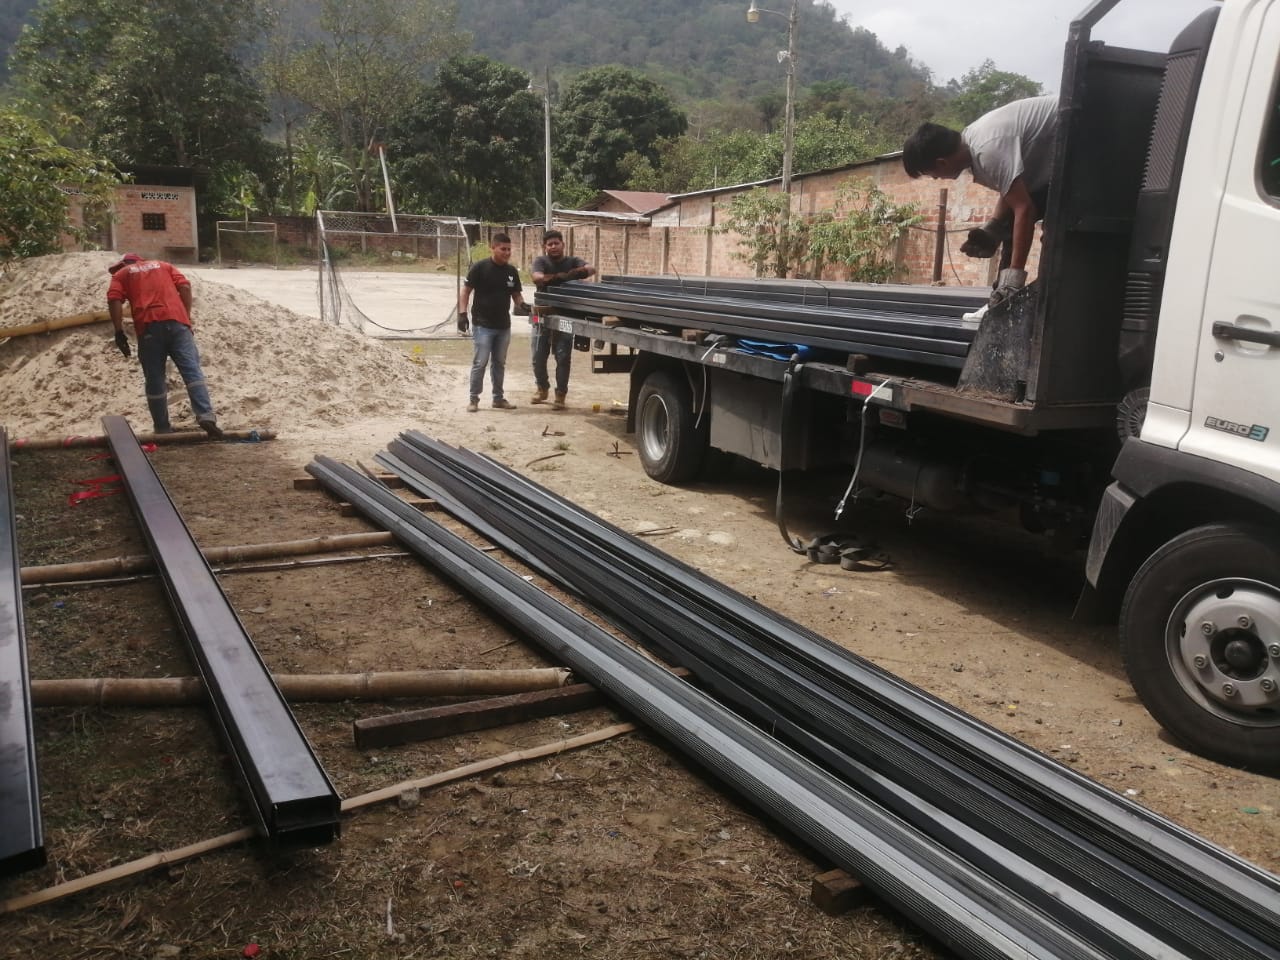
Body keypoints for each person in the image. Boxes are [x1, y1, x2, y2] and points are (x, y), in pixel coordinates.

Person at [902, 94, 1058, 306]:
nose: (936, 179)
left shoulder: (987, 150)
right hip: (1064, 152)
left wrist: (1014, 279)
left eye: (932, 174)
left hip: (1089, 130)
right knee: (1009, 225)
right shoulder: (973, 145)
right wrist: (993, 227)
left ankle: (1014, 295)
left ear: (942, 163)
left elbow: (1025, 208)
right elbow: (1011, 189)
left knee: (1058, 233)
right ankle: (1002, 302)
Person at [107, 253, 223, 438]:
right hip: (178, 324)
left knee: (154, 378)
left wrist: (118, 331)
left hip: (149, 327)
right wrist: (185, 317)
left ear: (125, 264)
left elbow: (114, 300)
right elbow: (185, 287)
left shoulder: (122, 274)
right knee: (192, 370)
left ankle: (162, 427)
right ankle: (206, 416)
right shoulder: (164, 265)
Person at [458, 233, 530, 412]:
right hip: (482, 325)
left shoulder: (511, 272)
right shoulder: (480, 268)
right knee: (480, 363)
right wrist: (462, 314)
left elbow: (516, 294)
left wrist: (523, 305)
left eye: (509, 249)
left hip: (503, 326)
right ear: (493, 248)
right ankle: (474, 399)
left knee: (499, 363)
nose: (507, 252)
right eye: (503, 249)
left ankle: (498, 398)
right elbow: (466, 291)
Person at [530, 229, 595, 409]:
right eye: (549, 244)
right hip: (540, 315)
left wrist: (574, 273)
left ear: (563, 244)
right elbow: (536, 277)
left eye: (556, 243)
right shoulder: (540, 261)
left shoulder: (572, 261)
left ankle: (560, 395)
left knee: (563, 357)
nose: (553, 247)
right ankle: (542, 388)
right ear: (545, 247)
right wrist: (557, 277)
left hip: (566, 315)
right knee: (537, 356)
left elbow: (591, 269)